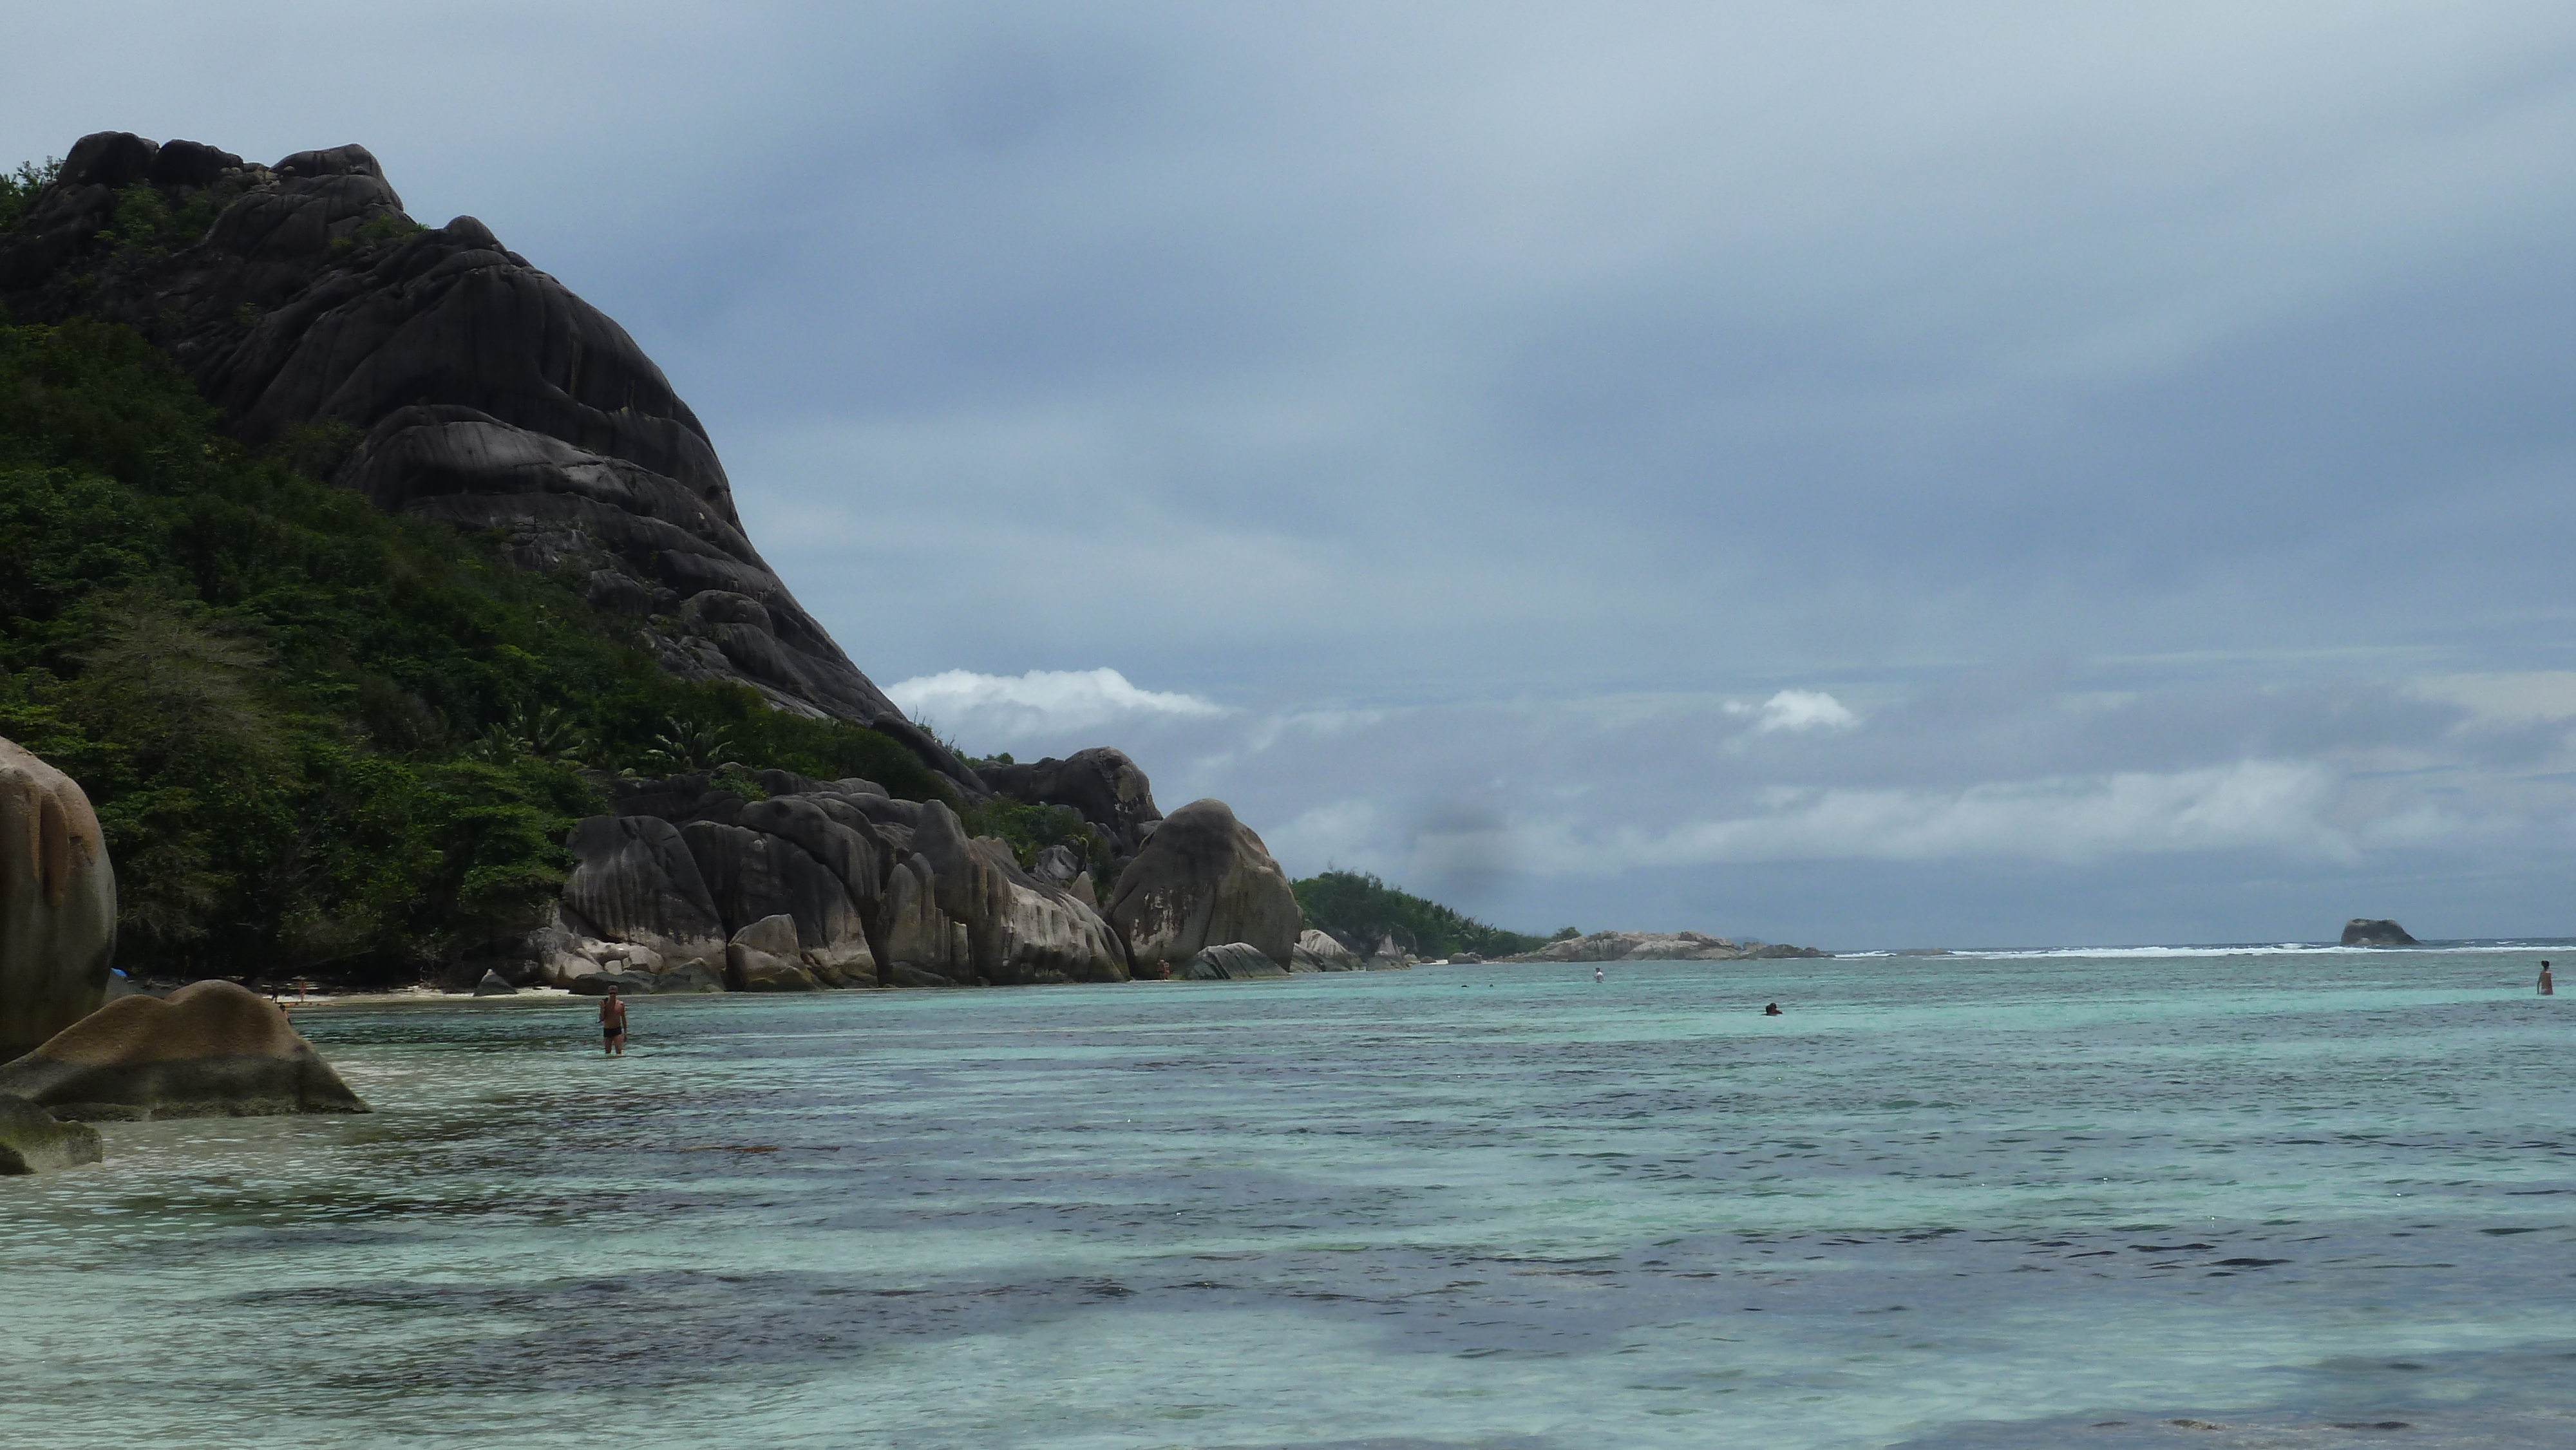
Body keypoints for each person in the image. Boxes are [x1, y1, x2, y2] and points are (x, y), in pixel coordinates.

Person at [600, 985, 628, 1055]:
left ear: (616, 994)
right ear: (608, 994)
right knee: (608, 1053)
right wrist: (602, 1008)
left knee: (619, 1052)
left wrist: (625, 1033)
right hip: (607, 1029)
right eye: (611, 993)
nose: (612, 995)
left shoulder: (621, 1004)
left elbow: (623, 1018)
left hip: (617, 1030)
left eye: (614, 993)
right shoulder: (605, 1004)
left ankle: (618, 1066)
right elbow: (602, 1019)